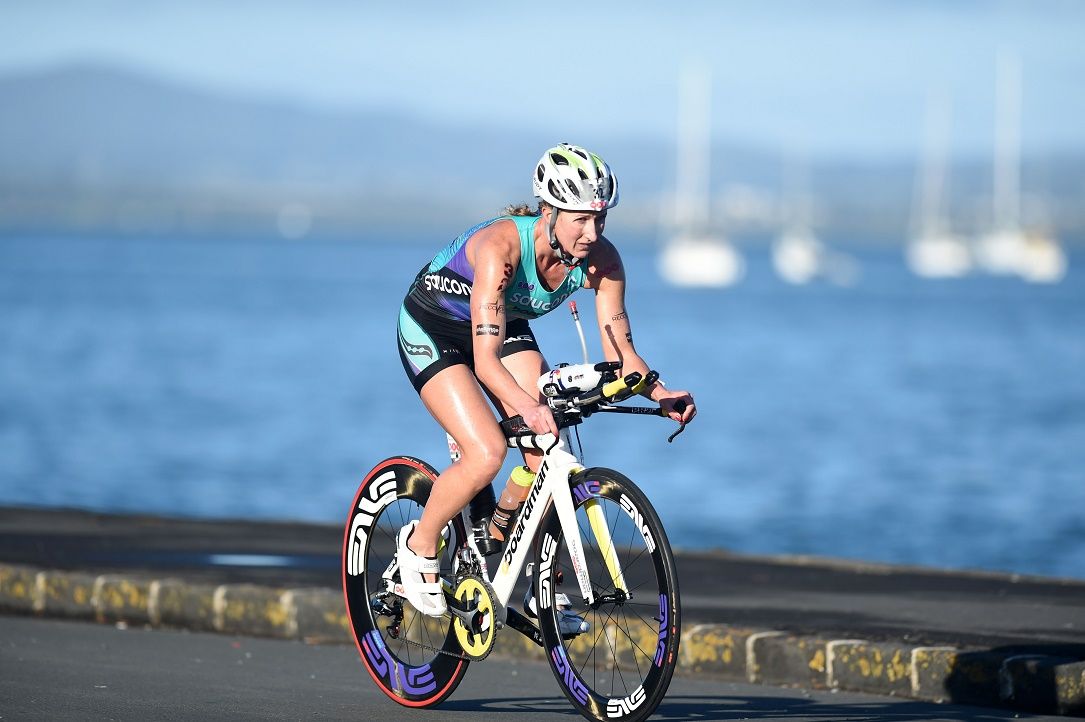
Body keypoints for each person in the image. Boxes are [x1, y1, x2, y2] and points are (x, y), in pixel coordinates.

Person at [395, 142, 696, 618]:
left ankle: (520, 561)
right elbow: (486, 361)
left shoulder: (604, 262)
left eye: (600, 219)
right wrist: (530, 407)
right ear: (549, 210)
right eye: (579, 219)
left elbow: (621, 350)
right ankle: (418, 545)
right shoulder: (501, 250)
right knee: (488, 452)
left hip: (501, 325)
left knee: (546, 452)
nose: (591, 232)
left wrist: (659, 391)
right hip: (433, 327)